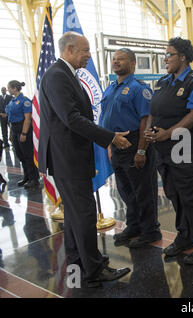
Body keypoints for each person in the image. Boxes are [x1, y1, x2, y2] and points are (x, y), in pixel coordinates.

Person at [38, 32, 131, 287]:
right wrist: (110, 137)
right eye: (85, 50)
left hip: (68, 157)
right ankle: (94, 270)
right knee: (85, 213)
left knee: (75, 215)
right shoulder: (58, 76)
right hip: (68, 158)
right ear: (69, 50)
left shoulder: (66, 74)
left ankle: (78, 262)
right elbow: (72, 118)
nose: (89, 55)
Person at [144, 37, 193, 265]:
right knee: (174, 195)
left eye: (169, 54)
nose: (165, 59)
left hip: (191, 150)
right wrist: (150, 131)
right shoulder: (164, 82)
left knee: (192, 198)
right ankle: (185, 236)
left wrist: (169, 133)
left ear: (183, 57)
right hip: (165, 152)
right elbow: (153, 111)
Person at [100, 48, 161, 248]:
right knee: (126, 191)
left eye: (122, 59)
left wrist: (141, 150)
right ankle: (134, 226)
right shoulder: (110, 88)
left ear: (133, 63)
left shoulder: (138, 88)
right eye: (114, 59)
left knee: (143, 191)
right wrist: (110, 145)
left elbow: (146, 120)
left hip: (135, 142)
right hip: (117, 144)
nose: (116, 62)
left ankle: (150, 230)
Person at [5, 81, 40, 189]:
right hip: (15, 129)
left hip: (23, 129)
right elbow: (10, 119)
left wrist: (24, 133)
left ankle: (34, 179)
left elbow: (27, 119)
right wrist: (11, 133)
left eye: (9, 88)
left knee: (27, 155)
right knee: (20, 155)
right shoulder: (12, 101)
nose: (8, 90)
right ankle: (27, 177)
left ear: (15, 88)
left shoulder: (25, 101)